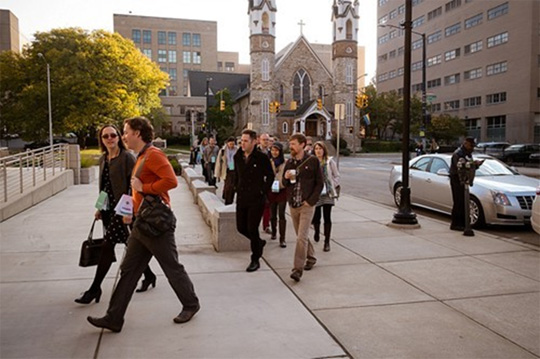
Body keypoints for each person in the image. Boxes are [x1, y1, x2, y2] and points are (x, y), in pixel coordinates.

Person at [87, 117, 200, 333]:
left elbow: (171, 181)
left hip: (156, 223)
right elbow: (115, 189)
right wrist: (127, 211)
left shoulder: (153, 155)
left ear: (138, 133)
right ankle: (114, 317)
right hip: (140, 222)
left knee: (171, 266)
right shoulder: (139, 157)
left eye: (125, 131)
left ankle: (191, 304)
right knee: (128, 270)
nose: (122, 136)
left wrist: (144, 186)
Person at [75, 125, 156, 304]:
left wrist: (128, 212)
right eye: (106, 136)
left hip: (123, 211)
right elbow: (104, 187)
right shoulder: (104, 159)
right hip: (108, 211)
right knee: (131, 245)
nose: (110, 138)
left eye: (113, 135)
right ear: (102, 139)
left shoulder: (126, 157)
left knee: (107, 246)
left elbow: (132, 186)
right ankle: (149, 275)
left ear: (119, 137)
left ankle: (94, 289)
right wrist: (99, 208)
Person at [282, 133, 323, 282]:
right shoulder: (290, 163)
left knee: (301, 237)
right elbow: (284, 184)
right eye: (290, 144)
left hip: (306, 205)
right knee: (302, 236)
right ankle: (311, 257)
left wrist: (311, 201)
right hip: (293, 204)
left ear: (302, 144)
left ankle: (297, 269)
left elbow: (320, 183)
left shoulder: (312, 161)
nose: (290, 146)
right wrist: (285, 178)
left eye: (293, 144)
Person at [234, 129, 274, 272]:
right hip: (242, 197)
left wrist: (262, 190)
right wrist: (234, 187)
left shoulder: (261, 158)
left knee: (252, 228)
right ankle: (259, 242)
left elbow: (270, 176)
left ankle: (255, 258)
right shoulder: (237, 156)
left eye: (245, 141)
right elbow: (235, 174)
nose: (242, 144)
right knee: (241, 228)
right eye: (241, 141)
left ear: (253, 142)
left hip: (256, 199)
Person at [311, 141, 340, 252]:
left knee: (327, 217)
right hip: (316, 193)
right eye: (316, 149)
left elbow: (337, 175)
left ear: (324, 150)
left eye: (320, 148)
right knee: (316, 216)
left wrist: (332, 184)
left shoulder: (329, 162)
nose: (318, 151)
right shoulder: (312, 162)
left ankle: (327, 241)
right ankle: (317, 231)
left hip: (327, 193)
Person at [449, 137, 483, 231]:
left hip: (464, 180)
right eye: (471, 146)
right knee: (458, 202)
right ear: (466, 144)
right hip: (457, 179)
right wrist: (472, 164)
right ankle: (456, 223)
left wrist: (475, 165)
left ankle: (463, 223)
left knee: (464, 202)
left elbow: (468, 166)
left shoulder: (467, 154)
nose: (472, 148)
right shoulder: (458, 154)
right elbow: (460, 167)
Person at [268, 142, 288, 248]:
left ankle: (282, 238)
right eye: (272, 150)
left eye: (276, 150)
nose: (274, 152)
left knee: (281, 213)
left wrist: (285, 182)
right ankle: (274, 231)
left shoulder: (285, 163)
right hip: (272, 190)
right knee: (272, 213)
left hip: (282, 190)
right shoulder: (268, 161)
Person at [215, 137, 238, 205]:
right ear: (227, 143)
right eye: (230, 144)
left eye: (233, 144)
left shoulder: (237, 149)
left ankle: (229, 199)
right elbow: (219, 161)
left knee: (233, 185)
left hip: (234, 169)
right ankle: (227, 198)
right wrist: (217, 173)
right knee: (228, 185)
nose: (231, 146)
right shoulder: (223, 150)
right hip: (226, 169)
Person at [258, 133, 272, 233]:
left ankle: (266, 225)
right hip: (258, 181)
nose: (265, 142)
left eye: (267, 140)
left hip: (268, 181)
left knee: (267, 204)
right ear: (259, 140)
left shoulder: (271, 152)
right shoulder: (256, 152)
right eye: (264, 140)